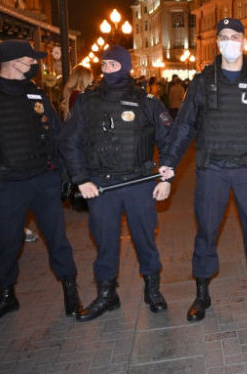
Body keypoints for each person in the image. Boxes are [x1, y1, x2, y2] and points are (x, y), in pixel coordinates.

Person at [158, 18, 247, 321]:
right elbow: (184, 126)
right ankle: (202, 294)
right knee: (207, 230)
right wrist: (168, 163)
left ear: (243, 41)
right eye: (223, 36)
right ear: (217, 42)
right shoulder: (202, 82)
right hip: (212, 169)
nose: (229, 41)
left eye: (234, 36)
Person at [0, 40, 81, 323]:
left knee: (58, 239)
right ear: (13, 62)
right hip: (6, 184)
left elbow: (57, 136)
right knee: (5, 244)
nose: (35, 64)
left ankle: (70, 290)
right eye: (31, 59)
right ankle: (5, 296)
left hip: (43, 180)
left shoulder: (35, 94)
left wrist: (65, 174)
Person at [58, 45, 173, 321]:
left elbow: (169, 139)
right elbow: (69, 142)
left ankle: (152, 289)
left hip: (139, 183)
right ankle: (108, 294)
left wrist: (167, 176)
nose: (108, 70)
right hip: (102, 185)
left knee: (145, 239)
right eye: (105, 65)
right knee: (105, 242)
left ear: (126, 67)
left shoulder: (147, 101)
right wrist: (80, 179)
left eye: (114, 65)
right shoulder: (88, 101)